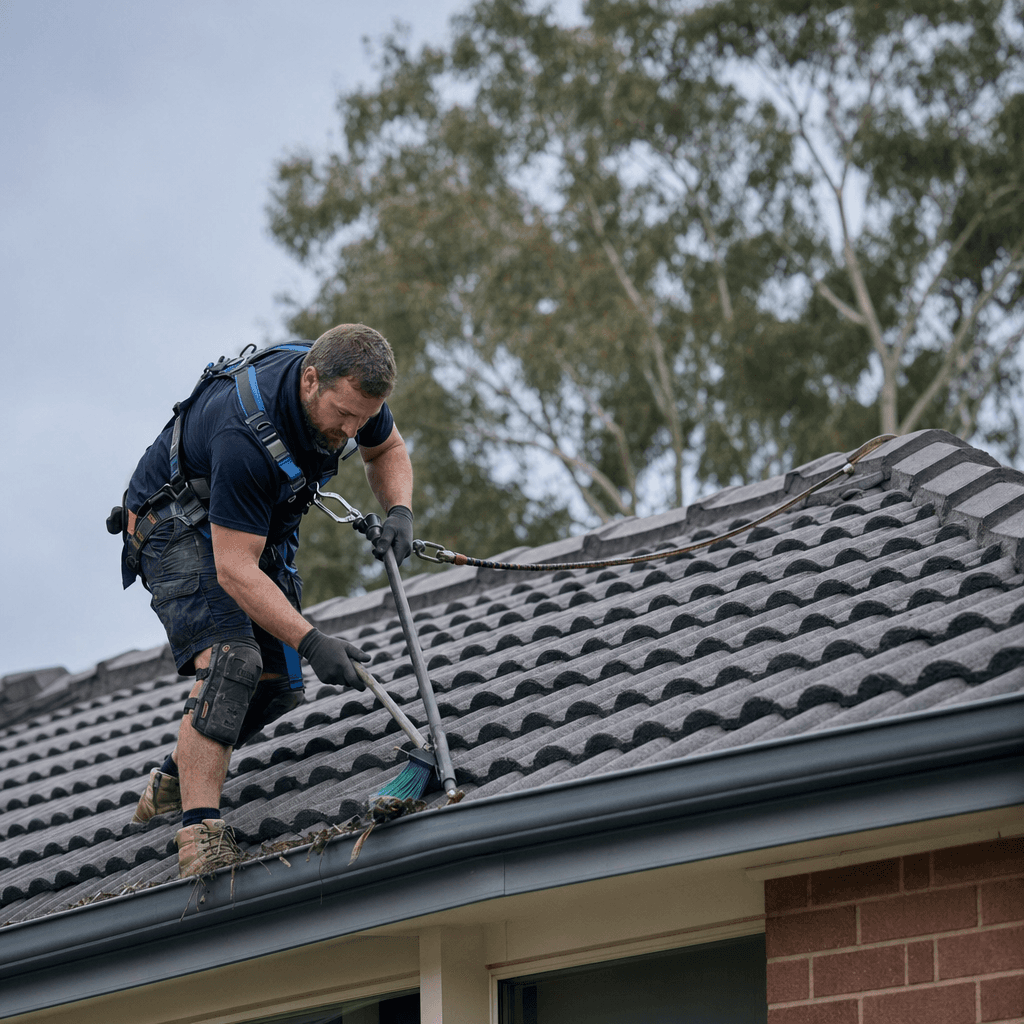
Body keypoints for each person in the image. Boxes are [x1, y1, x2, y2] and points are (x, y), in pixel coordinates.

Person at [117, 324, 414, 877]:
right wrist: (313, 640)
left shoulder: (354, 395)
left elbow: (387, 449)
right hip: (174, 525)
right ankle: (199, 834)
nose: (351, 430)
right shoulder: (244, 438)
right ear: (310, 380)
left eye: (363, 418)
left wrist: (399, 511)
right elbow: (234, 568)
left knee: (280, 686)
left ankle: (174, 779)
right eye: (343, 415)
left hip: (253, 527)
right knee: (232, 661)